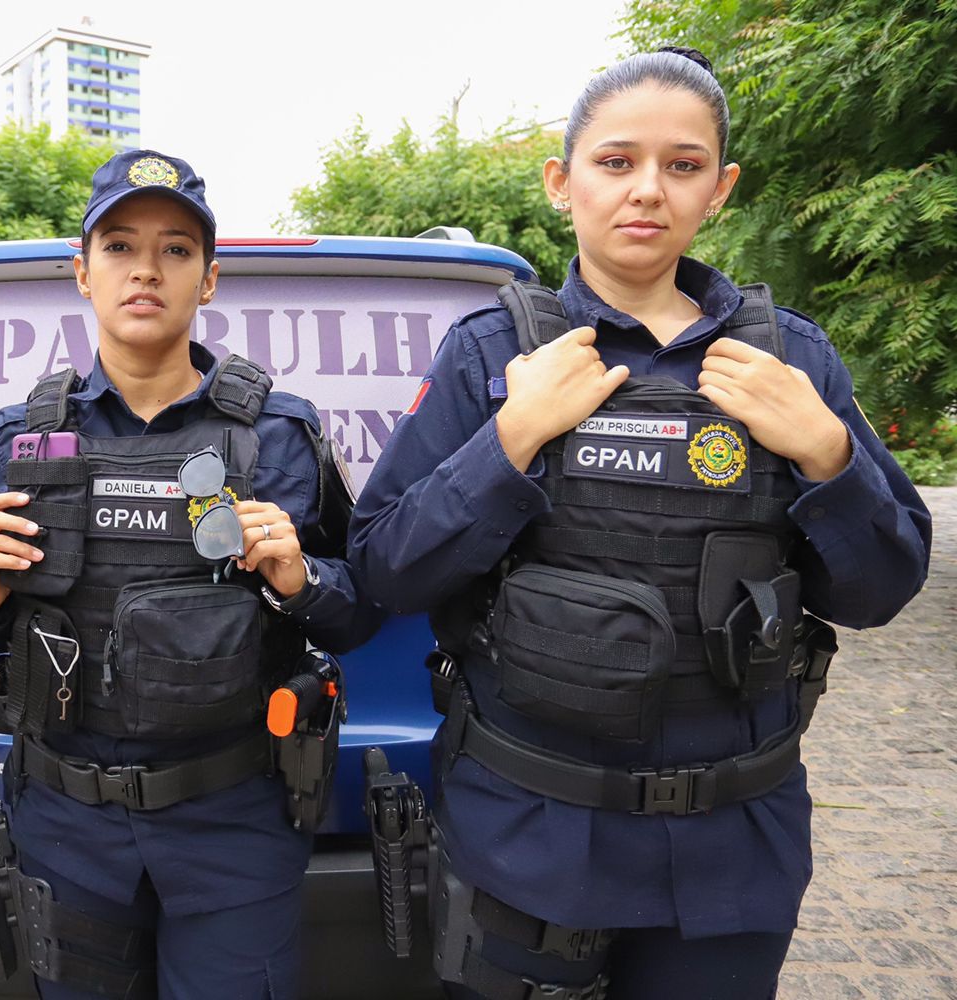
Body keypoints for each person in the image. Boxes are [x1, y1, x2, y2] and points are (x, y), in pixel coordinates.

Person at [349, 49, 932, 1000]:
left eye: (684, 164)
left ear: (721, 188)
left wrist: (828, 457)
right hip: (533, 841)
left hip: (732, 854)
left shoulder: (792, 364)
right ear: (562, 180)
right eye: (616, 162)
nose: (647, 191)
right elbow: (384, 570)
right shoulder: (493, 355)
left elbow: (881, 591)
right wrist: (511, 440)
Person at [0, 149, 385, 999]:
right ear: (82, 272)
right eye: (119, 247)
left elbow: (357, 612)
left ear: (209, 280)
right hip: (65, 822)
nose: (146, 269)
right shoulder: (18, 435)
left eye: (177, 250)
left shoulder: (282, 434)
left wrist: (299, 580)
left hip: (236, 820)